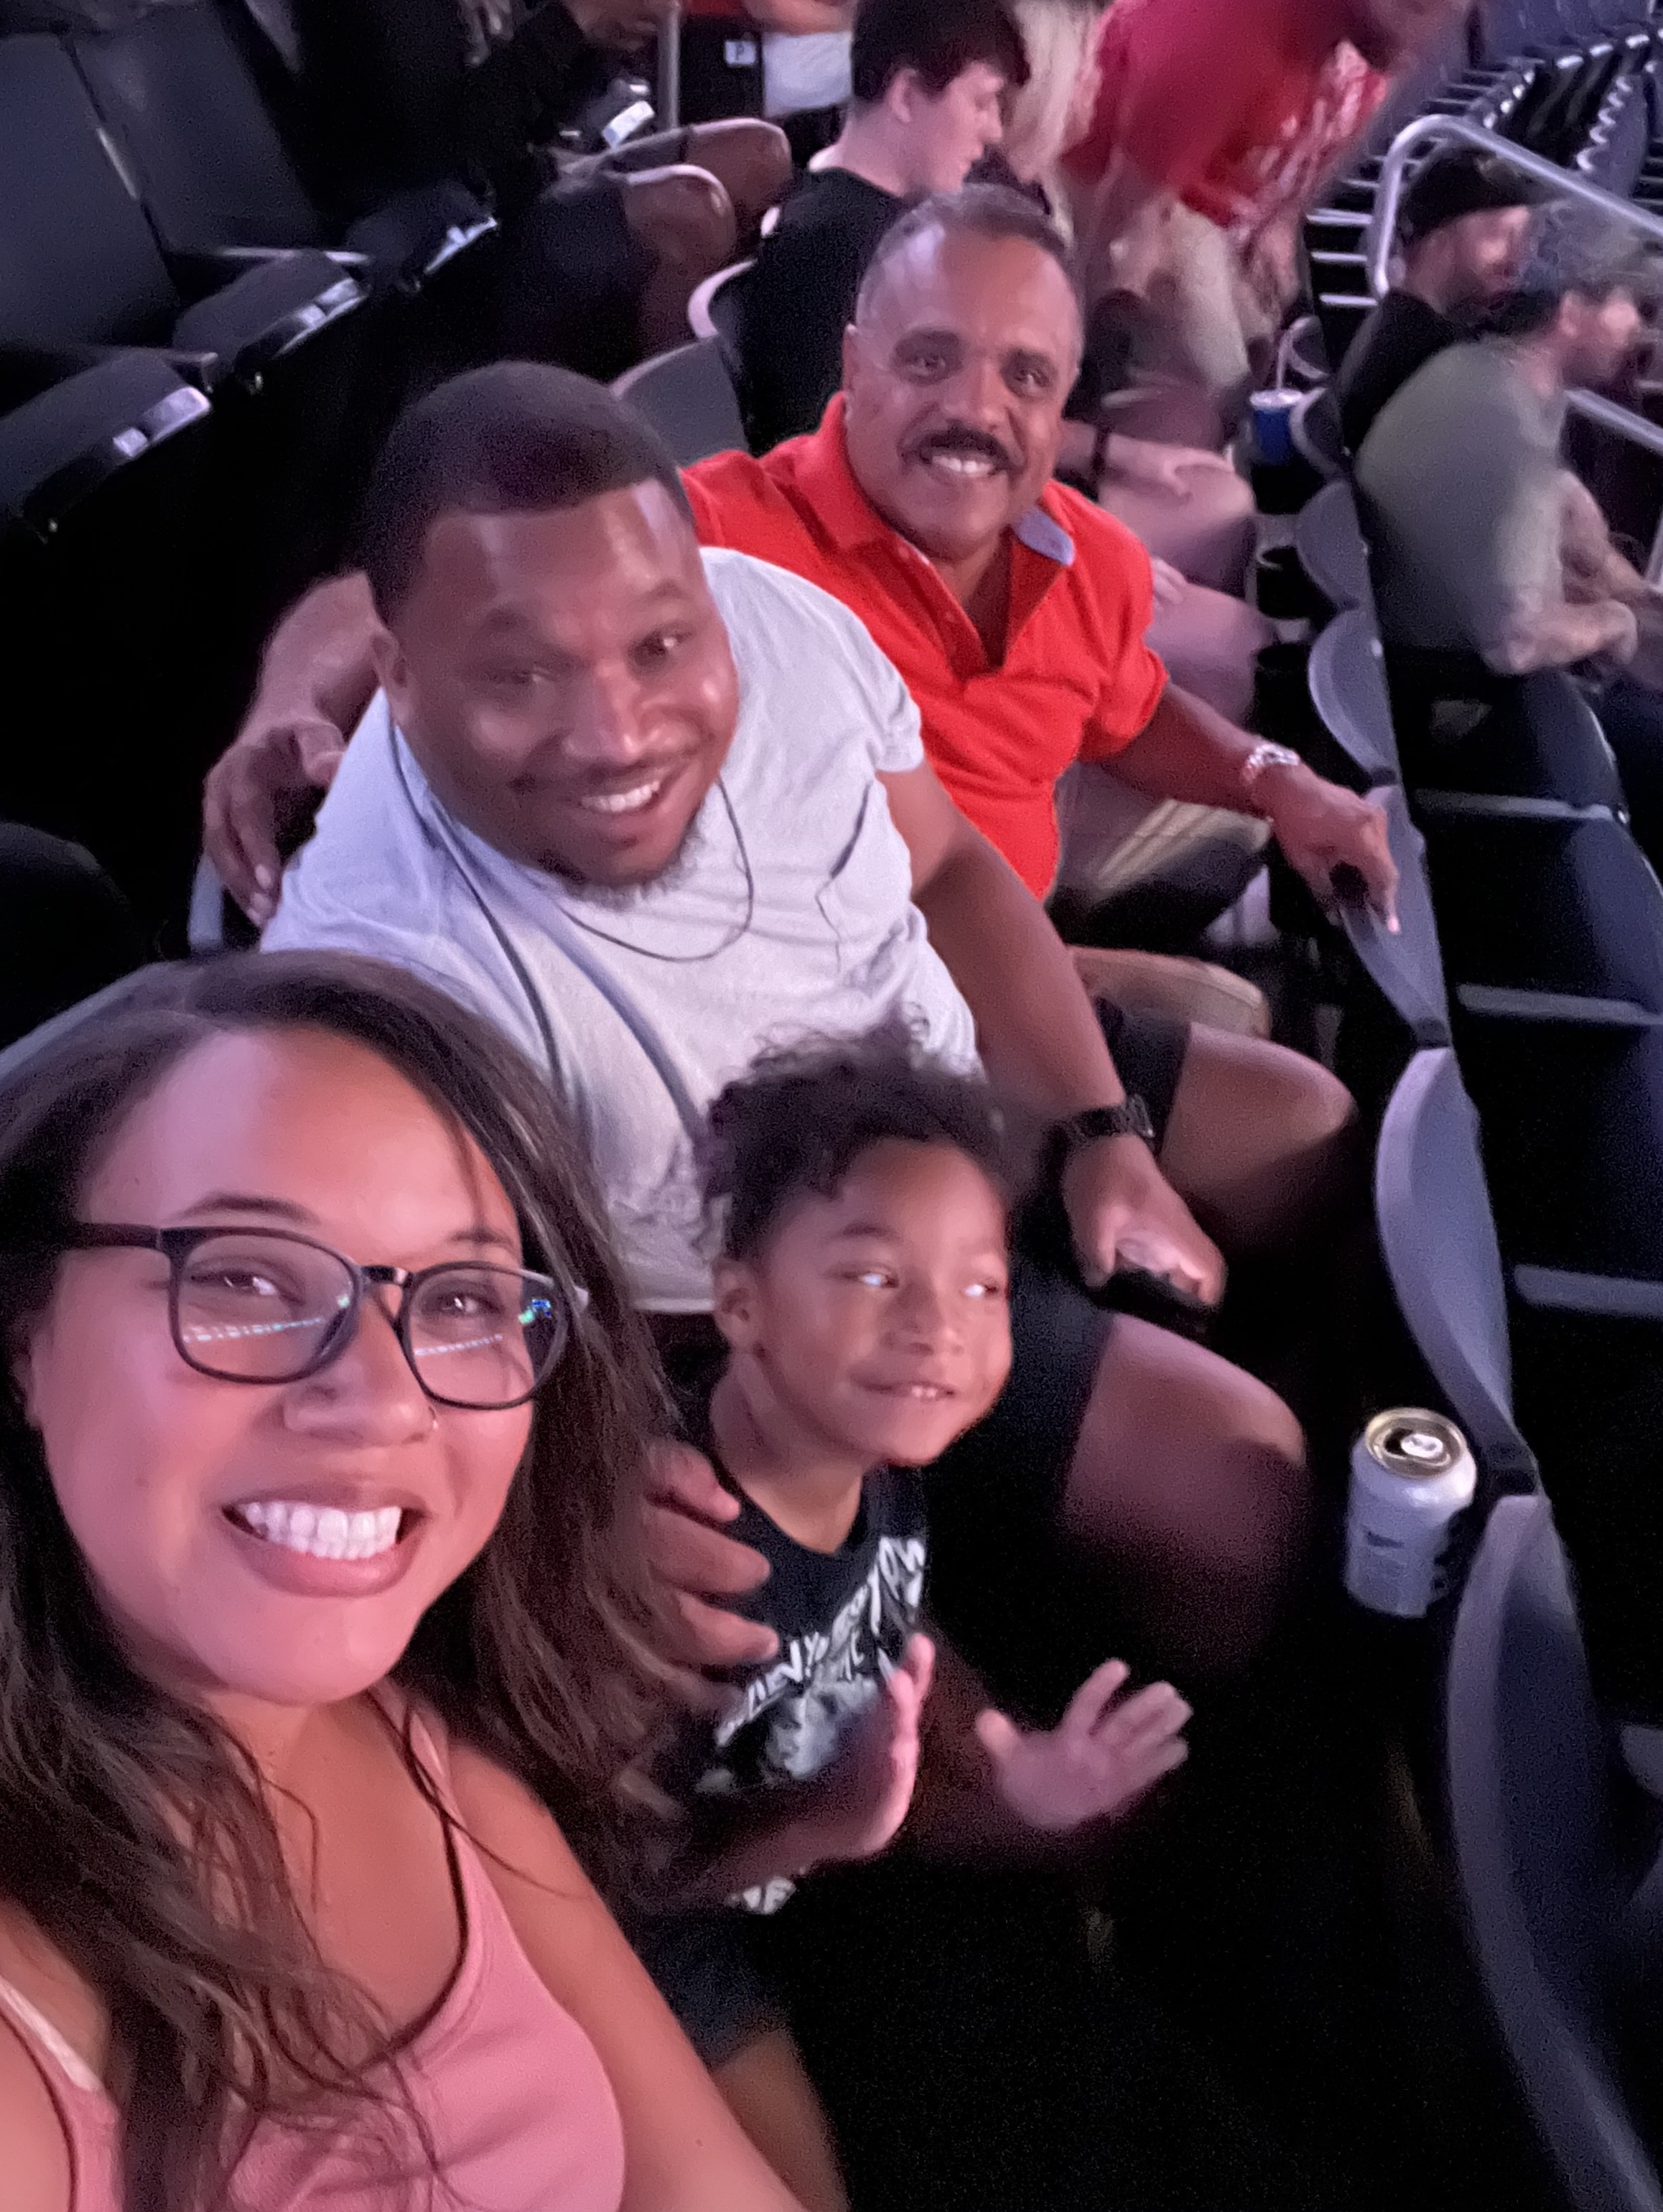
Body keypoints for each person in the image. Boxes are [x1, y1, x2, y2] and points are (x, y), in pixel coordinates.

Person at [246, 359, 1317, 1678]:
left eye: (660, 647)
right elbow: (389, 1327)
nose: (617, 732)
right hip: (746, 1319)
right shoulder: (373, 968)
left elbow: (948, 869)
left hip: (942, 1095)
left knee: (1309, 1133)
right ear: (397, 681)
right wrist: (564, 1486)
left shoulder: (777, 621)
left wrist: (1102, 1132)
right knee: (1236, 1498)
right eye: (519, 676)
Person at [0, 951, 809, 2212]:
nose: (384, 1401)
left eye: (466, 1299)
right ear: (24, 1335)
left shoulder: (427, 1745)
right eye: (247, 1278)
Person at [636, 1034, 1190, 2210]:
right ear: (741, 1303)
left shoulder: (873, 1456)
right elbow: (600, 1886)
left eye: (982, 1286)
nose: (941, 1326)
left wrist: (1017, 1774)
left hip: (826, 1842)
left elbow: (887, 1631)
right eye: (875, 1277)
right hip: (664, 1937)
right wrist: (823, 1823)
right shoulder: (674, 1569)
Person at [1357, 203, 1663, 865]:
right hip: (1455, 713)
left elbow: (1540, 510)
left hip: (1418, 659)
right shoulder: (1510, 433)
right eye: (1630, 305)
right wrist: (1613, 622)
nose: (1639, 328)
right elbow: (1515, 640)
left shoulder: (1480, 372)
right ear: (1572, 310)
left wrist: (1621, 582)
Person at [284, 0, 793, 375]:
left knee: (758, 154)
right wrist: (573, 23)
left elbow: (533, 119)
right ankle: (662, 450)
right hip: (432, 247)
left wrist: (596, 42)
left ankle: (755, 404)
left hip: (513, 189)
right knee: (689, 212)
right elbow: (444, 157)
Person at [1061, 0, 1468, 412]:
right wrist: (1096, 349)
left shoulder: (1375, 42)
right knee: (1219, 388)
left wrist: (1285, 221)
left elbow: (1339, 133)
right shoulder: (1227, 30)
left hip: (1219, 213)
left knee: (1268, 367)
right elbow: (1126, 216)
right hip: (1142, 199)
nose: (1432, 39)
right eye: (1422, 7)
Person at [737, 0, 1026, 453]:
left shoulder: (861, 224)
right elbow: (823, 447)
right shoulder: (832, 250)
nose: (994, 131)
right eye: (981, 101)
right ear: (906, 95)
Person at [1335, 147, 1546, 452]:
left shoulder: (1396, 327)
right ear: (1438, 244)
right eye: (1500, 236)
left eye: (1523, 240)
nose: (1517, 260)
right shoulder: (1430, 362)